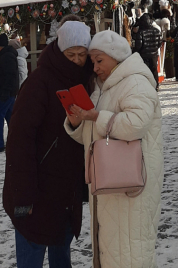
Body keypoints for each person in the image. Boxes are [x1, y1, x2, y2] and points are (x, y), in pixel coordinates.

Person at [65, 30, 163, 268]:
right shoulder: (104, 86)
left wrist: (96, 116)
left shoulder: (136, 81)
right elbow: (98, 134)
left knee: (131, 252)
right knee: (114, 252)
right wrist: (77, 121)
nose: (95, 67)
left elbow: (135, 124)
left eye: (100, 60)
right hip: (111, 184)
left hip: (131, 187)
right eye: (93, 62)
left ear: (116, 57)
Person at [2, 20, 94, 266]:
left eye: (82, 55)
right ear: (59, 50)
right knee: (31, 257)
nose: (76, 60)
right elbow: (20, 141)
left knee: (61, 256)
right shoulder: (39, 82)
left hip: (65, 191)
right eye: (71, 54)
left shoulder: (86, 80)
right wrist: (23, 196)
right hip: (36, 190)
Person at [134, 12, 162, 90]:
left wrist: (135, 51)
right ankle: (156, 85)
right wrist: (155, 49)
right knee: (154, 70)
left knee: (145, 71)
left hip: (144, 55)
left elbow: (138, 45)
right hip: (154, 54)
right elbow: (159, 43)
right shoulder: (156, 30)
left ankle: (147, 86)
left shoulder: (141, 32)